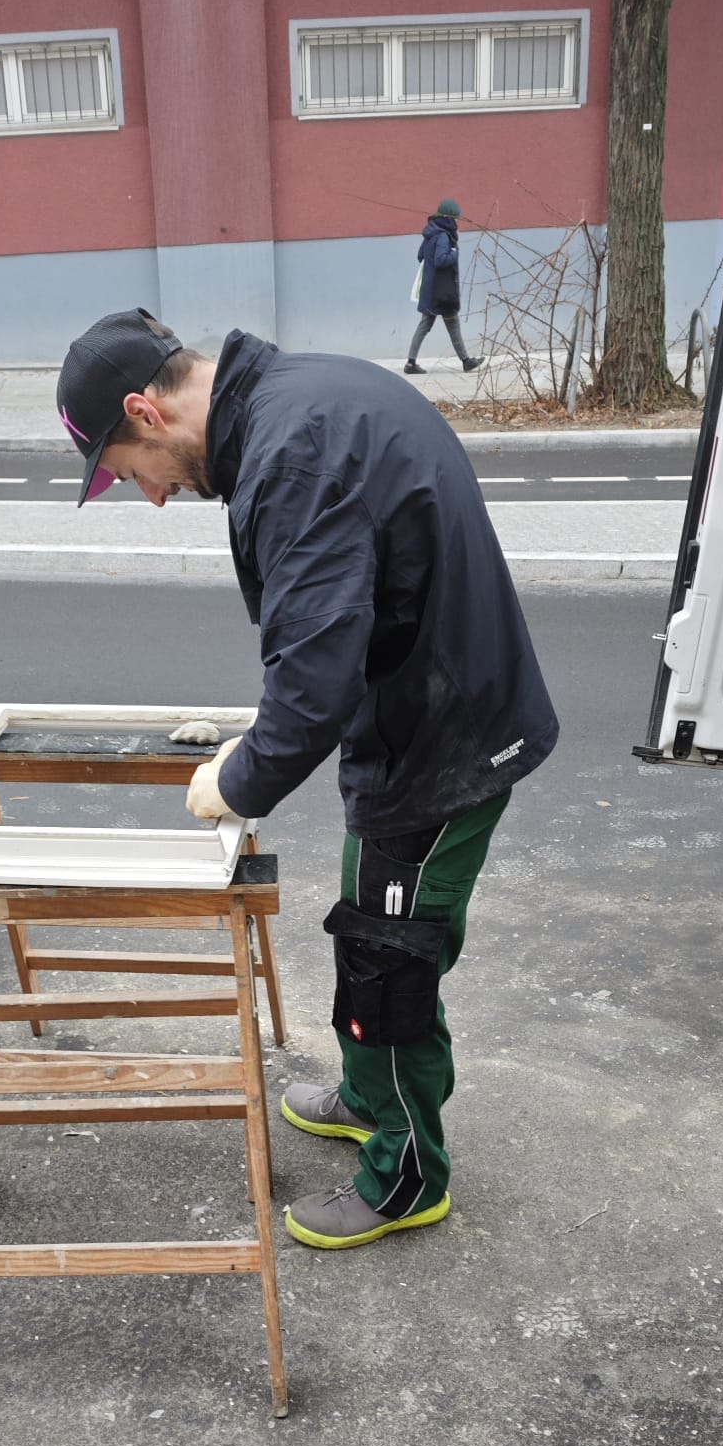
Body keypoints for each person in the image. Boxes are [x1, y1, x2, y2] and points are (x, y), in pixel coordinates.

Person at [56, 309, 557, 1249]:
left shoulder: (294, 456)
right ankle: (369, 1098)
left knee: (391, 963)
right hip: (421, 717)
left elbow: (314, 684)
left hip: (439, 747)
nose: (153, 498)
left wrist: (237, 782)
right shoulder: (301, 396)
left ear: (146, 412)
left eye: (130, 472)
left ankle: (407, 1178)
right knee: (370, 924)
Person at [404, 198, 479, 375]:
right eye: (455, 219)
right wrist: (454, 253)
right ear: (448, 218)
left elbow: (420, 255)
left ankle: (410, 362)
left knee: (426, 325)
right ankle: (466, 361)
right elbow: (440, 260)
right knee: (452, 324)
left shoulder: (431, 234)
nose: (456, 222)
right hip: (442, 291)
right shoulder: (444, 236)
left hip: (431, 290)